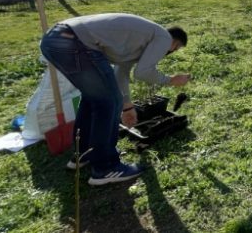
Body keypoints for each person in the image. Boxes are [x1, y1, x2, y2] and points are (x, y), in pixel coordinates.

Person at [40, 14, 191, 186]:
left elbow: (121, 75)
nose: (170, 52)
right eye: (175, 49)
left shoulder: (136, 42)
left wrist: (127, 107)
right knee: (108, 103)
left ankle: (83, 154)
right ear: (175, 43)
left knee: (95, 99)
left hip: (54, 40)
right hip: (76, 43)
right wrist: (171, 80)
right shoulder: (163, 37)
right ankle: (105, 168)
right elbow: (142, 72)